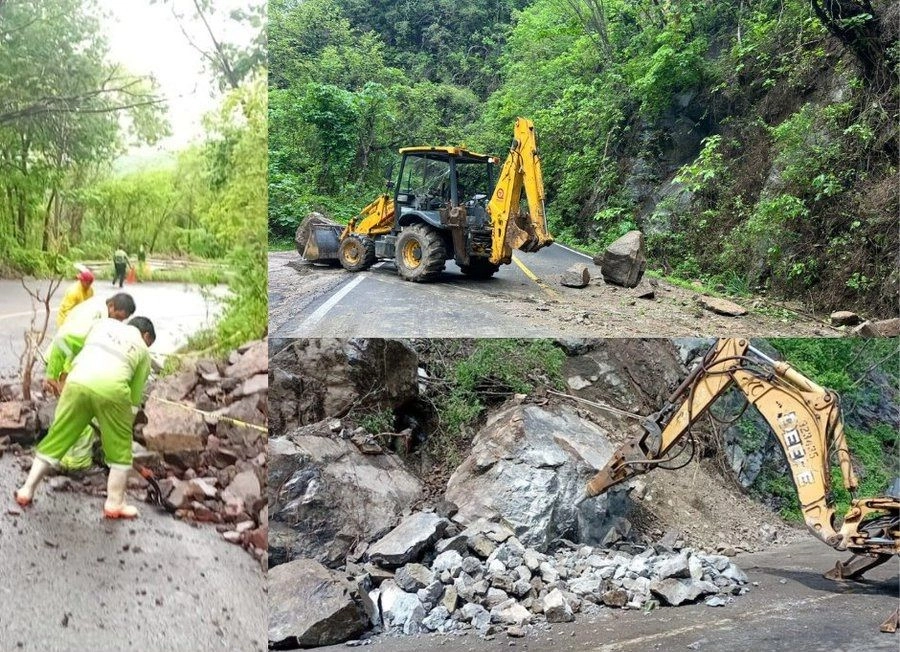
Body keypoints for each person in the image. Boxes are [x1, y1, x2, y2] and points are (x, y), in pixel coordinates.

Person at [16, 316, 156, 519]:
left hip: (77, 382)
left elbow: (64, 340)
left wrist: (53, 373)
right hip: (113, 390)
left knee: (57, 437)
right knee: (120, 452)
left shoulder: (101, 326)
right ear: (145, 336)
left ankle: (26, 490)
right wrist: (122, 430)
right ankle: (114, 504)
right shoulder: (143, 351)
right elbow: (133, 400)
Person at [43, 293, 136, 471]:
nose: (117, 323)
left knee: (69, 413)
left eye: (122, 321)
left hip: (65, 360)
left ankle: (56, 458)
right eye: (118, 317)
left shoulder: (97, 307)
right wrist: (55, 374)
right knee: (82, 417)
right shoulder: (96, 318)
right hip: (62, 360)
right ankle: (75, 464)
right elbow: (64, 342)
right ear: (112, 307)